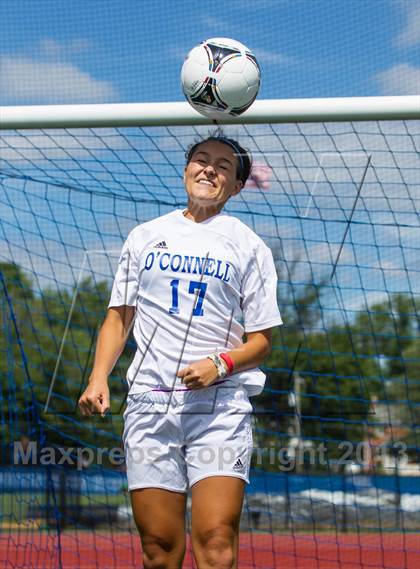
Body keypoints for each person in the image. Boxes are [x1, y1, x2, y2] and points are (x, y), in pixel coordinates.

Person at [78, 133, 282, 569]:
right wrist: (98, 378)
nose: (209, 169)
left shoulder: (250, 247)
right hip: (150, 405)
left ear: (238, 185)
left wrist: (220, 364)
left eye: (223, 165)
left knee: (216, 540)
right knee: (159, 548)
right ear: (187, 169)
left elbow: (262, 342)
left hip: (219, 409)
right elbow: (119, 317)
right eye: (201, 160)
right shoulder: (146, 236)